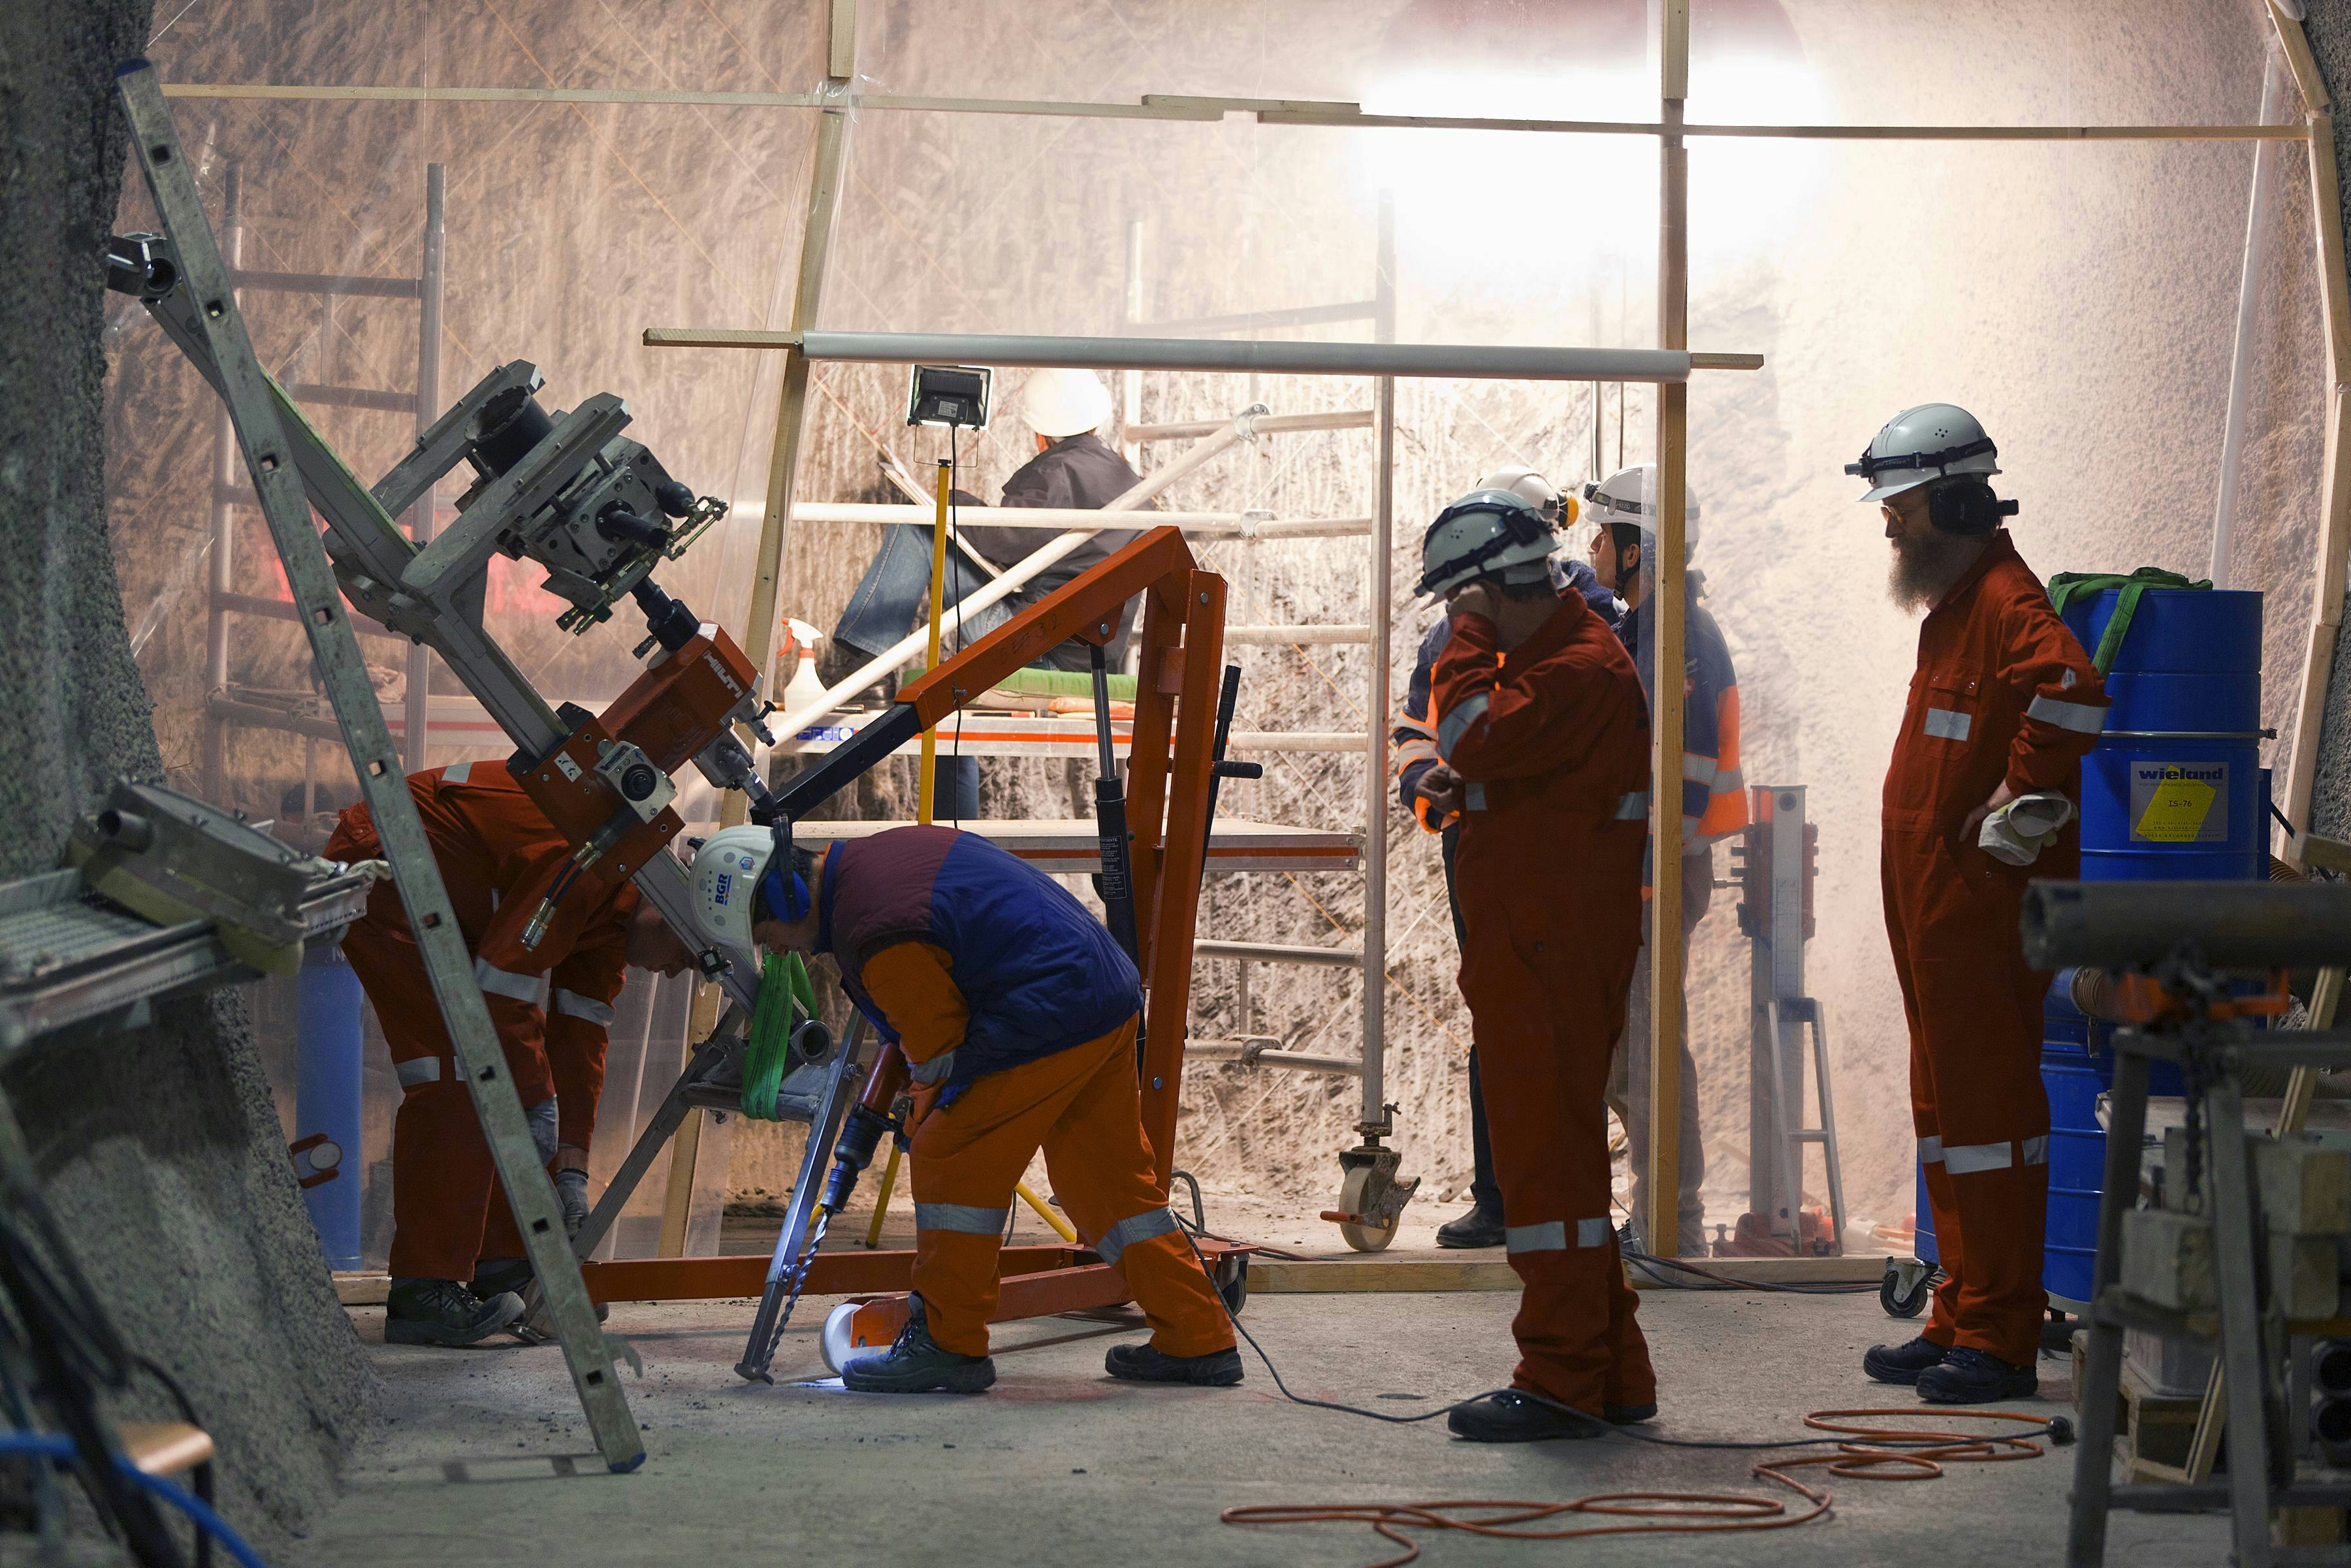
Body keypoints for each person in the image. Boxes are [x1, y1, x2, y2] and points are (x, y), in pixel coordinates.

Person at [690, 821, 1240, 1394]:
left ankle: (949, 1344)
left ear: (786, 896)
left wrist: (920, 1115)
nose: (778, 948)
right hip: (1101, 994)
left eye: (767, 932)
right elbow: (927, 1030)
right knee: (1107, 1183)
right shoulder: (871, 866)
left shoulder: (874, 929)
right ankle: (1196, 1334)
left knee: (948, 1154)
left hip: (1048, 1011)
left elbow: (940, 1054)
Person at [1847, 404, 2107, 1404]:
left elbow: (2076, 695)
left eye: (1901, 507)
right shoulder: (1954, 605)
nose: (1888, 526)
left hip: (1980, 907)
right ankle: (1960, 1306)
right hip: (1935, 908)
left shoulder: (2005, 597)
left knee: (1991, 1116)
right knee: (1947, 1115)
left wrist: (2022, 794)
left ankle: (1999, 1333)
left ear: (1954, 500)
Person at [1414, 486, 1656, 1441]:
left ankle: (1559, 1378)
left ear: (1489, 590)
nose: (1450, 622)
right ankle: (1614, 1371)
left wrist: (1466, 640)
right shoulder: (1560, 664)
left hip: (1550, 948)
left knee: (1547, 1170)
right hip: (1539, 941)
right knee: (1560, 1164)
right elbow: (1496, 754)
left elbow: (1473, 726)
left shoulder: (1575, 669)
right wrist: (1468, 776)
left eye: (1457, 603)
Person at [325, 759, 699, 1347]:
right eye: (691, 953)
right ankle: (424, 1290)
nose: (679, 973)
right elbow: (502, 981)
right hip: (386, 865)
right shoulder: (593, 867)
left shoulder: (614, 911)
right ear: (671, 906)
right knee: (456, 1073)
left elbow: (580, 1036)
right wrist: (536, 1098)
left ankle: (501, 1265)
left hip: (440, 885)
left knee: (498, 1083)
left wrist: (572, 1166)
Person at [1390, 466, 1618, 1251]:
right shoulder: (1465, 633)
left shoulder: (1585, 630)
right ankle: (1504, 1198)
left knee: (1550, 1037)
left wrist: (1470, 642)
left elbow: (1488, 732)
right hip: (1486, 848)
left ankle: (1548, 1214)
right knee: (1505, 1023)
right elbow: (1420, 733)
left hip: (1555, 865)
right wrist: (1433, 787)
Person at [1581, 463, 1747, 1256]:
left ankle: (1671, 1222)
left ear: (1636, 547)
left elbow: (1681, 774)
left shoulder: (1681, 636)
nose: (1591, 547)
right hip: (1629, 874)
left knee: (1648, 1046)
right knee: (1622, 1054)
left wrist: (1650, 875)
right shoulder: (1642, 628)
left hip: (1656, 872)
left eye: (1603, 534)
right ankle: (1659, 1209)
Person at [833, 367, 1154, 677]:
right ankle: (865, 666)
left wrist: (952, 497)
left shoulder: (1058, 474)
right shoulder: (1130, 481)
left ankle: (864, 669)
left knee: (916, 529)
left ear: (1041, 434)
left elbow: (1004, 538)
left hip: (1038, 648)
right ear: (1095, 424)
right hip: (1090, 656)